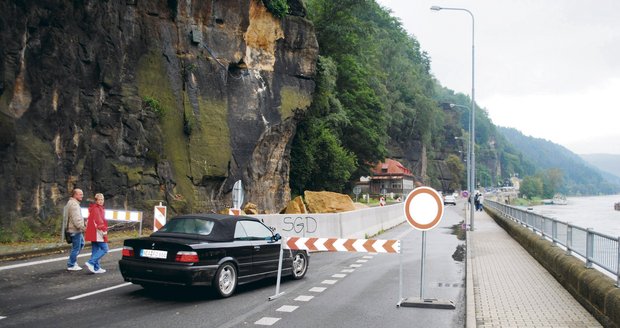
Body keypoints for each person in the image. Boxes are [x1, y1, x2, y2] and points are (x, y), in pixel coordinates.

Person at [84, 193, 109, 274]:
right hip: (98, 233)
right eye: (99, 199)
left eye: (102, 199)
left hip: (93, 233)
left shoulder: (94, 208)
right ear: (96, 200)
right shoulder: (97, 209)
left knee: (95, 250)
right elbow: (99, 222)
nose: (101, 201)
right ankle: (91, 262)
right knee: (105, 249)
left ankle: (96, 267)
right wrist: (104, 231)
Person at [65, 188, 85, 271]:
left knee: (81, 244)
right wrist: (83, 228)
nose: (82, 196)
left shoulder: (71, 202)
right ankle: (71, 264)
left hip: (74, 229)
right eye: (80, 194)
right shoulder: (74, 205)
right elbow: (76, 219)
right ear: (75, 195)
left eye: (82, 194)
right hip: (75, 230)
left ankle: (73, 261)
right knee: (76, 248)